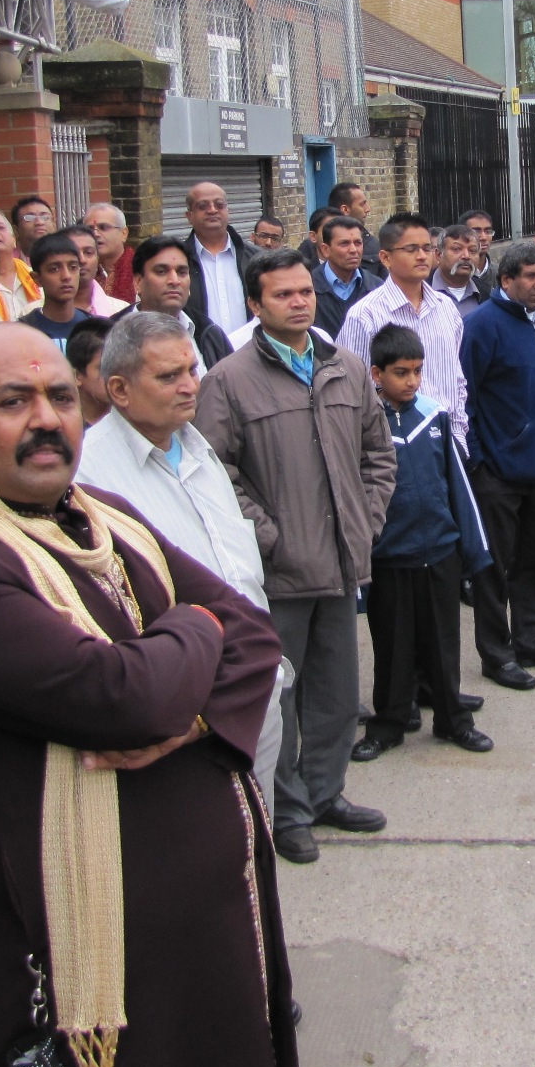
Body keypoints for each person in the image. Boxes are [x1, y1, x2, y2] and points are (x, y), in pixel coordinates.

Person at [0, 324, 295, 1067]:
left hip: (208, 938)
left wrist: (189, 708)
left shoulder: (99, 515)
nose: (45, 419)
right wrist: (198, 625)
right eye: (11, 401)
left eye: (60, 396)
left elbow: (256, 637)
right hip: (85, 971)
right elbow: (124, 699)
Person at [195, 249, 396, 866]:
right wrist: (267, 535)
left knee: (335, 691)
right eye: (283, 295)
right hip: (277, 572)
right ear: (255, 305)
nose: (300, 302)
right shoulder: (228, 380)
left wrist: (364, 520)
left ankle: (326, 791)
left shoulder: (346, 367)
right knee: (277, 699)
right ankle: (287, 812)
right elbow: (213, 470)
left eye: (305, 291)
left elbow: (378, 455)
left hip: (340, 563)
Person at [76, 312, 286, 806]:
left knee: (257, 843)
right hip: (182, 710)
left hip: (253, 685)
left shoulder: (197, 448)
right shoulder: (89, 479)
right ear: (119, 390)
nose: (190, 385)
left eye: (191, 370)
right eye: (169, 376)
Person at [352, 323, 495, 761]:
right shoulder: (362, 426)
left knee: (443, 642)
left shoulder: (433, 415)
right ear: (376, 374)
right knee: (392, 647)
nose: (412, 381)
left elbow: (457, 486)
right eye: (401, 372)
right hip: (389, 557)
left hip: (440, 553)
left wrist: (474, 548)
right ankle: (389, 723)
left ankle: (453, 719)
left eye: (417, 371)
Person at [460, 239, 535, 690]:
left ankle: (533, 640)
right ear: (506, 280)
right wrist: (479, 462)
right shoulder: (482, 326)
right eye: (530, 277)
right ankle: (497, 655)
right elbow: (464, 397)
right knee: (494, 568)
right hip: (500, 473)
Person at [335, 210, 468, 449]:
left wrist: (459, 437)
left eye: (427, 248)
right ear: (385, 258)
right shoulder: (365, 315)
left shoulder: (446, 307)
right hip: (394, 446)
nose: (421, 256)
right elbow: (353, 391)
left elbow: (456, 380)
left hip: (447, 441)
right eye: (410, 249)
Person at [132, 231, 234, 372]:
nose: (174, 281)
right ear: (138, 282)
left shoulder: (210, 334)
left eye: (182, 272)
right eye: (161, 271)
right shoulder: (111, 335)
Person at [178, 180, 254, 335]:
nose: (212, 210)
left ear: (228, 210)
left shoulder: (256, 258)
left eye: (219, 205)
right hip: (200, 354)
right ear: (189, 216)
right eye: (202, 206)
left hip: (252, 352)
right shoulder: (178, 262)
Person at [18, 231, 92, 352]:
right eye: (54, 269)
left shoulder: (93, 329)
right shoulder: (23, 332)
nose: (66, 276)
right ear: (37, 278)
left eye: (73, 267)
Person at [312, 213, 383, 335]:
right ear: (325, 249)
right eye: (344, 243)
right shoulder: (309, 288)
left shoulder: (377, 287)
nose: (353, 250)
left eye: (358, 243)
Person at [66, 222, 131, 317]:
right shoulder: (38, 310)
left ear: (98, 259)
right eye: (73, 253)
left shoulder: (122, 311)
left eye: (88, 252)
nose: (82, 260)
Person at [430, 221, 491, 316]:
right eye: (456, 249)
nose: (466, 256)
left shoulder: (487, 294)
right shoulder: (420, 291)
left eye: (472, 251)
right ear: (438, 255)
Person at [67, 314, 116, 427]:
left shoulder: (138, 424)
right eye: (105, 367)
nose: (116, 375)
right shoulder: (62, 429)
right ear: (76, 375)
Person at [85, 201, 136, 303]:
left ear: (123, 234)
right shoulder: (81, 272)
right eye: (90, 229)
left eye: (103, 227)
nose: (95, 234)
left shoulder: (140, 268)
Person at [459, 207, 497, 282]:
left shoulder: (498, 273)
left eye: (488, 231)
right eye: (476, 231)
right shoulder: (453, 273)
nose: (484, 237)